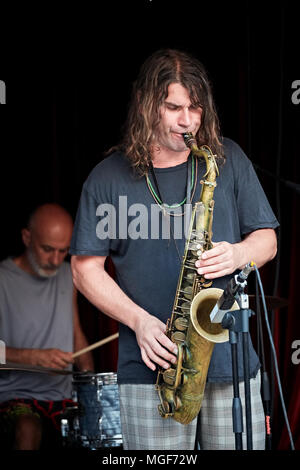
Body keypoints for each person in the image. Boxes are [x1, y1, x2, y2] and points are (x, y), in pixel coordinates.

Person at [70, 49, 279, 450]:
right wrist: (140, 322)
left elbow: (266, 240)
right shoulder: (107, 178)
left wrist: (237, 254)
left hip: (229, 362)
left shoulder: (226, 159)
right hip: (154, 367)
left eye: (196, 108)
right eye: (174, 107)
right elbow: (84, 269)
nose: (188, 121)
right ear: (148, 106)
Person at [0, 203, 94, 450]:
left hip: (62, 399)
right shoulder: (2, 279)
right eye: (47, 249)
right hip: (13, 397)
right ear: (26, 237)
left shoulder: (67, 275)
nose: (55, 260)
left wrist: (91, 387)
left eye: (63, 251)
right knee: (27, 427)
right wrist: (32, 357)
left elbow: (76, 334)